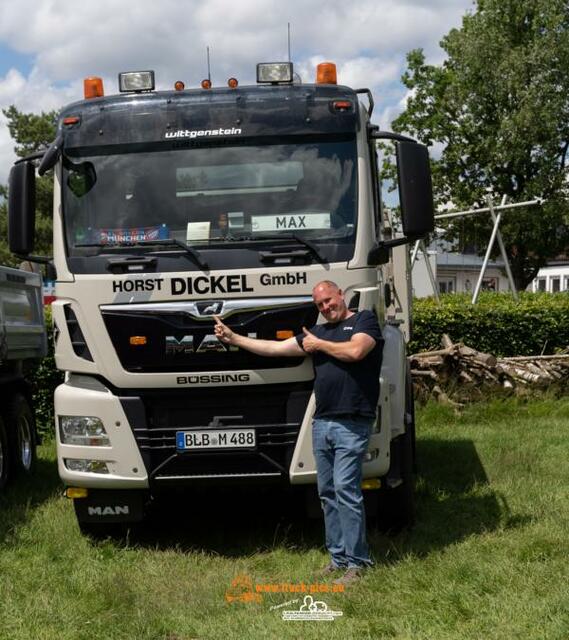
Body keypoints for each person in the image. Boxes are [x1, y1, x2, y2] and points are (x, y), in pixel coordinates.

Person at [214, 280, 383, 585]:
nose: (326, 308)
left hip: (353, 421)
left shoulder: (363, 320)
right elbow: (275, 348)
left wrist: (319, 346)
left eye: (329, 301)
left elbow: (357, 351)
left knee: (346, 489)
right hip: (323, 422)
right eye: (320, 305)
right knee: (328, 493)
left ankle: (358, 564)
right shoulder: (314, 333)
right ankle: (338, 558)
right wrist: (234, 338)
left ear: (340, 295)